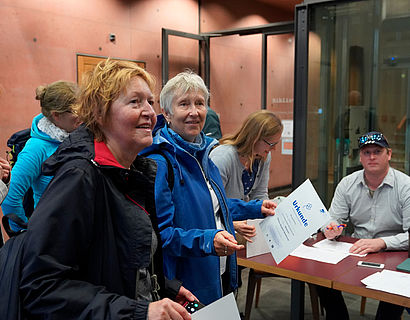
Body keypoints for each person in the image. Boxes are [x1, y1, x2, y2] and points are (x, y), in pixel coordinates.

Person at [19, 59, 194, 319]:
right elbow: (41, 287)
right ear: (100, 114)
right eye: (135, 102)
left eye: (150, 101)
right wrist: (139, 311)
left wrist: (164, 289)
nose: (149, 112)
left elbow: (114, 263)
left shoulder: (131, 172)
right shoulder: (79, 178)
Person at [140, 70, 277, 305]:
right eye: (184, 104)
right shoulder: (161, 164)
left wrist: (256, 208)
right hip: (188, 284)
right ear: (167, 113)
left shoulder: (205, 155)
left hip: (219, 273)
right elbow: (161, 236)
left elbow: (214, 206)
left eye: (200, 103)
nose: (194, 112)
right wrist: (206, 240)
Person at [318, 131, 410, 320]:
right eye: (366, 153)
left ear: (389, 154)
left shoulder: (406, 187)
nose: (372, 157)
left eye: (377, 151)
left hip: (395, 252)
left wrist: (381, 243)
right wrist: (330, 228)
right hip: (357, 249)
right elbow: (331, 219)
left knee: (395, 288)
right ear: (360, 157)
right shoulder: (347, 184)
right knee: (320, 275)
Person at [1, 80, 81, 231]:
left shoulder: (79, 137)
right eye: (75, 111)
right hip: (52, 234)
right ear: (56, 115)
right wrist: (24, 235)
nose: (82, 115)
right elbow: (10, 197)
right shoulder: (36, 148)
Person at [210, 110, 283, 242]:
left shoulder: (263, 157)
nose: (274, 149)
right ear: (255, 138)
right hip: (218, 230)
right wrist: (232, 224)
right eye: (271, 144)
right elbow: (210, 204)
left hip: (241, 227)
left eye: (276, 144)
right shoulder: (223, 157)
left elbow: (260, 195)